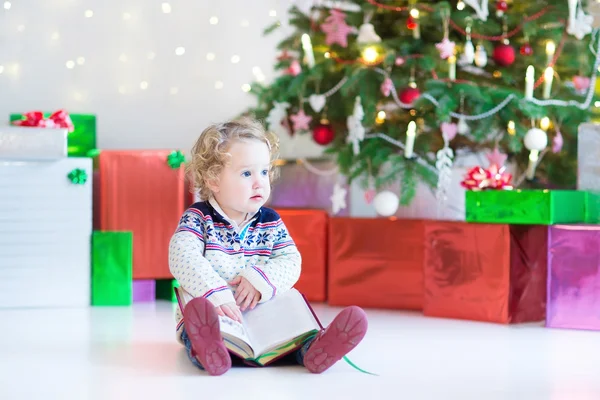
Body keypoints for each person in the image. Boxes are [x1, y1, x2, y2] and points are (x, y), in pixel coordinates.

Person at [168, 116, 368, 376]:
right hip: (218, 311)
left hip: (264, 315)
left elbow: (290, 261)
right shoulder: (198, 219)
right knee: (199, 328)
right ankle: (209, 350)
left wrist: (261, 279)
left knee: (291, 328)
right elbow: (182, 255)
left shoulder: (270, 222)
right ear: (214, 180)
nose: (259, 181)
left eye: (264, 171)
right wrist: (214, 292)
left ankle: (314, 349)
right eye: (246, 173)